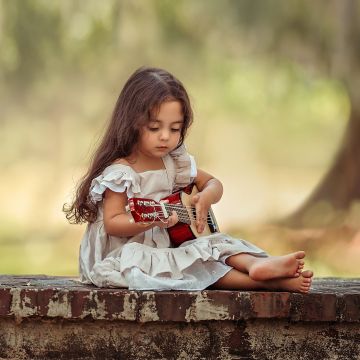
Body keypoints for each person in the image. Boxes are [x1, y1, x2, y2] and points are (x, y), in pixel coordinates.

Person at [64, 66, 313, 293]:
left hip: (168, 244)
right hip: (128, 253)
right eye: (154, 128)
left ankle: (256, 265)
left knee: (214, 244)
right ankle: (273, 282)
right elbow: (113, 222)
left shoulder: (174, 162)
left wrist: (206, 197)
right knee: (193, 266)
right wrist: (148, 221)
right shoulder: (121, 172)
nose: (165, 137)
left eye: (174, 129)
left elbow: (214, 183)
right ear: (132, 123)